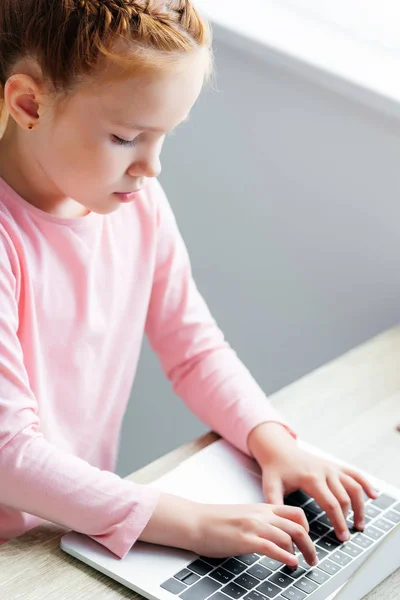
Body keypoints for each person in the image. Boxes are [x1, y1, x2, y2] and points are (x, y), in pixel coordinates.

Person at [0, 0, 377, 569]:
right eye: (127, 137)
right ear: (28, 103)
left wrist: (273, 441)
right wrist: (191, 522)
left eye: (164, 136)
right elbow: (8, 454)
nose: (151, 167)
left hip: (69, 532)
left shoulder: (137, 202)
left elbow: (193, 346)